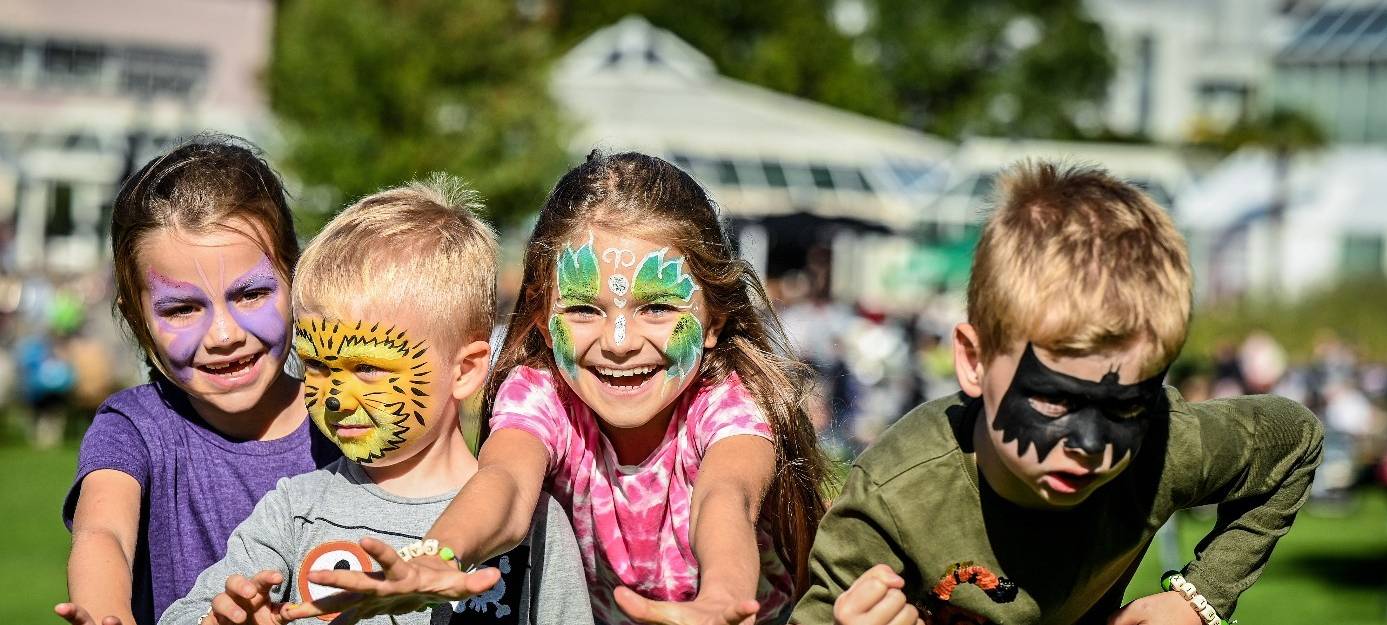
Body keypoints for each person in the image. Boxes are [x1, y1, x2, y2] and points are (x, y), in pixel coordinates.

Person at [300, 151, 831, 625]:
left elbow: (725, 498)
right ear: (542, 313)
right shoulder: (541, 397)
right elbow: (504, 483)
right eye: (582, 309)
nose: (618, 342)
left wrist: (720, 599)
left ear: (713, 319)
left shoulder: (728, 405)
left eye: (657, 307)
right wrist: (439, 556)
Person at [794, 161, 1324, 625]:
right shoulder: (895, 496)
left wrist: (1200, 596)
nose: (1091, 443)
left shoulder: (1163, 447)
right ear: (974, 361)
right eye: (1055, 400)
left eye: (1125, 405)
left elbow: (1295, 440)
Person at [160, 177, 593, 625]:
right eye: (317, 366)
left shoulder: (535, 526)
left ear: (464, 370)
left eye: (367, 368)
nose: (335, 397)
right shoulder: (296, 511)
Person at [55, 136, 339, 625]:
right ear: (138, 318)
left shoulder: (347, 421)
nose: (224, 335)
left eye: (250, 294)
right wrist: (106, 615)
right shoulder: (135, 428)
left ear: (297, 279)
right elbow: (104, 532)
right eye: (183, 308)